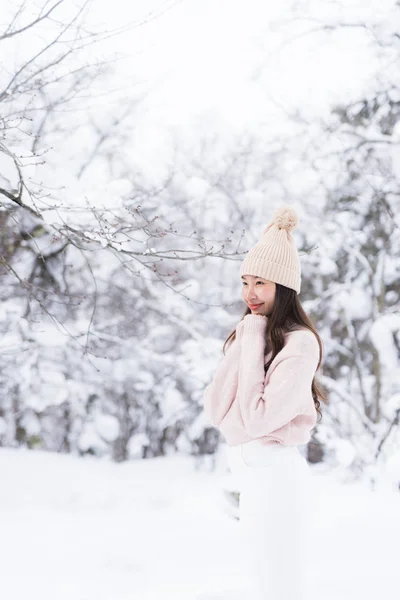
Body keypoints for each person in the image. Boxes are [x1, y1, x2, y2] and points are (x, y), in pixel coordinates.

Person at [202, 205, 327, 600]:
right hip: (252, 481)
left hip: (277, 482)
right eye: (245, 282)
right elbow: (216, 409)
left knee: (279, 587)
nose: (249, 294)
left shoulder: (300, 344)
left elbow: (254, 422)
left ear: (283, 287)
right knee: (259, 585)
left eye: (261, 283)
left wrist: (253, 334)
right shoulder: (249, 335)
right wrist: (248, 338)